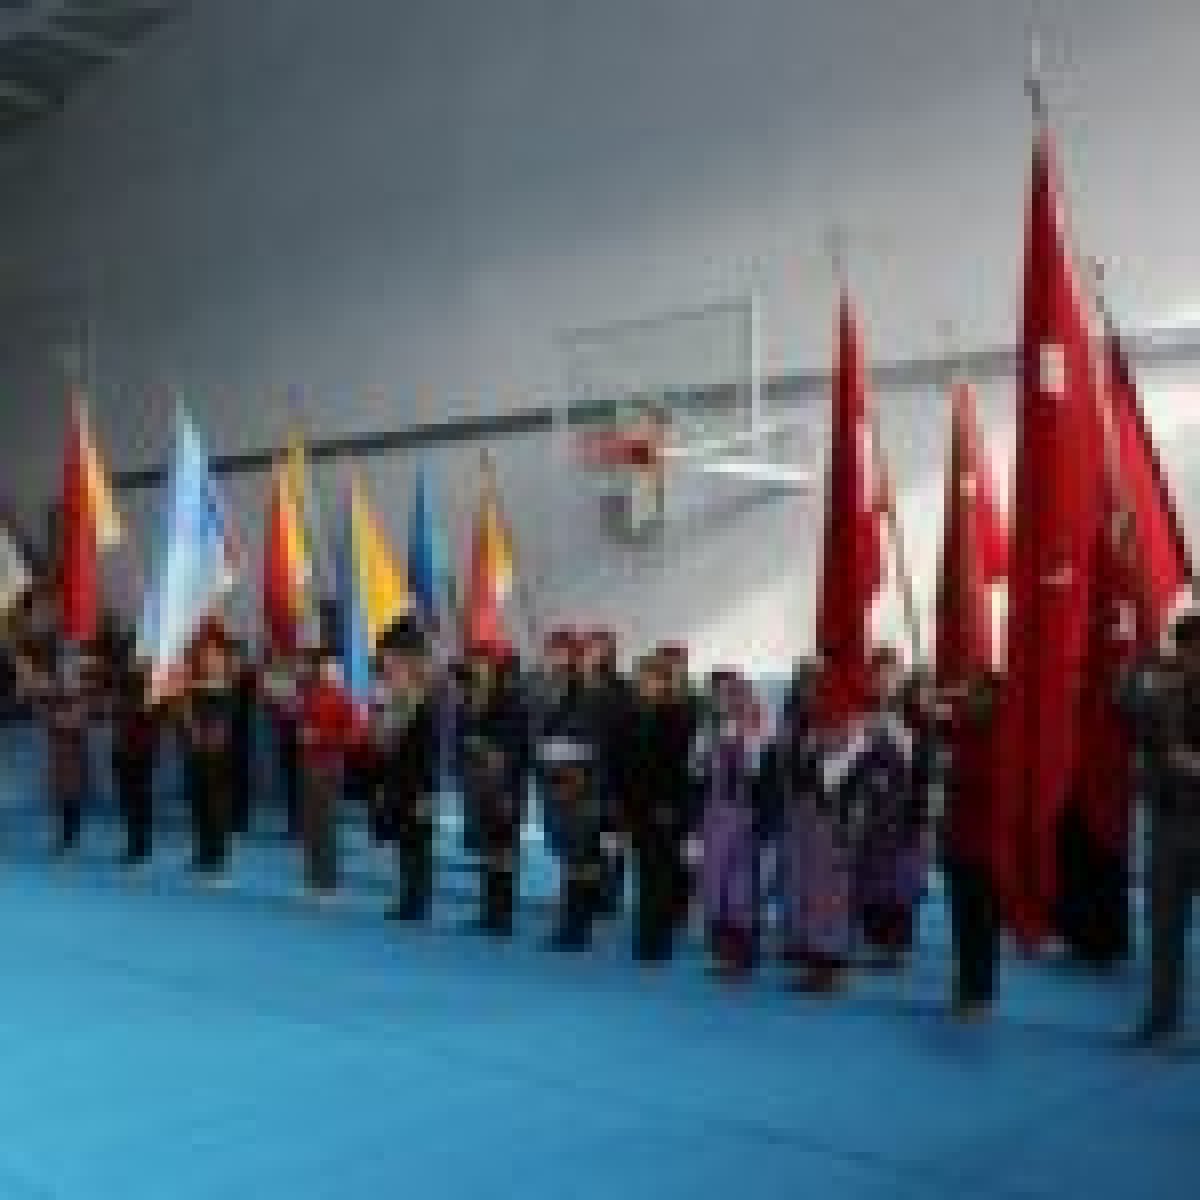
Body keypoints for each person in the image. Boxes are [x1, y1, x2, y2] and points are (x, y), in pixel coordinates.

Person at [1127, 610, 1200, 1045]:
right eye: (1187, 650)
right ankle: (1161, 1016)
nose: (1191, 660)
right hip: (1169, 821)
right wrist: (1142, 661)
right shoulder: (1163, 692)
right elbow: (1124, 704)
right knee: (1164, 926)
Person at [767, 661, 858, 993]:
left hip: (831, 817)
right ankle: (810, 954)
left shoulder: (841, 729)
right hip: (800, 812)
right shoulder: (795, 724)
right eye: (803, 684)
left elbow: (845, 777)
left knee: (829, 891)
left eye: (814, 685)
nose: (808, 691)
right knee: (801, 884)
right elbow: (785, 766)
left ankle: (831, 964)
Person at [615, 654, 692, 963]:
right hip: (636, 806)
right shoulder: (632, 715)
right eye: (641, 678)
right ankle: (646, 935)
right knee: (643, 872)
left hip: (664, 807)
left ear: (663, 682)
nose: (644, 683)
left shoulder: (676, 717)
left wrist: (671, 805)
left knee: (662, 873)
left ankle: (658, 940)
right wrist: (622, 804)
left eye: (649, 678)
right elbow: (624, 763)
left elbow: (679, 768)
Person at [849, 648, 920, 970]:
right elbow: (853, 757)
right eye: (879, 674)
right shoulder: (862, 711)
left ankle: (896, 944)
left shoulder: (913, 712)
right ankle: (876, 940)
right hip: (870, 804)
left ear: (899, 677)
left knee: (900, 875)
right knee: (869, 872)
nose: (884, 680)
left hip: (903, 804)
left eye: (890, 674)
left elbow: (922, 759)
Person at [693, 670, 764, 977]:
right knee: (715, 887)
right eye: (719, 694)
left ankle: (742, 955)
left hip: (745, 816)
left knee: (739, 888)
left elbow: (760, 776)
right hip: (713, 816)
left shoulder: (756, 731)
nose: (724, 700)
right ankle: (723, 955)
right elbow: (697, 773)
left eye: (730, 694)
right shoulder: (709, 729)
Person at [457, 644, 530, 935]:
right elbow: (463, 737)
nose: (476, 668)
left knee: (504, 850)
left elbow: (515, 747)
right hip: (480, 785)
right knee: (488, 850)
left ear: (493, 667)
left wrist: (485, 747)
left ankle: (503, 915)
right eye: (473, 663)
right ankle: (488, 911)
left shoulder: (510, 700)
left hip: (506, 785)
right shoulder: (472, 699)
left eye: (481, 663)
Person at [942, 671, 1002, 1020]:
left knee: (983, 925)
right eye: (972, 695)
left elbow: (986, 782)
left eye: (979, 695)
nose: (971, 701)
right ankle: (964, 985)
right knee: (961, 922)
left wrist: (958, 778)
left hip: (987, 846)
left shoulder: (1000, 739)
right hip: (959, 840)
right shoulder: (963, 733)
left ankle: (980, 994)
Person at [373, 622, 439, 921]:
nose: (385, 663)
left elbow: (431, 747)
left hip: (420, 779)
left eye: (389, 656)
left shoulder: (425, 693)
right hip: (399, 776)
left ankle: (417, 900)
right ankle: (409, 897)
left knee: (417, 839)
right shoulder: (396, 692)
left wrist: (427, 790)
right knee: (405, 837)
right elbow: (386, 739)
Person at [296, 640, 362, 900]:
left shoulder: (345, 699)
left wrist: (322, 738)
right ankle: (313, 879)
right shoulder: (309, 695)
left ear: (338, 670)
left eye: (332, 667)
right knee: (311, 824)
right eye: (324, 666)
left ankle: (328, 882)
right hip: (308, 764)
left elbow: (353, 736)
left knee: (327, 825)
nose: (327, 671)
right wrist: (303, 735)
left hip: (330, 766)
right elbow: (301, 725)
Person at [578, 629, 631, 919]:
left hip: (613, 779)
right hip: (582, 778)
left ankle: (609, 895)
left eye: (597, 649)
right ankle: (588, 893)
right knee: (586, 840)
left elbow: (623, 737)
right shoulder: (578, 687)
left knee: (610, 840)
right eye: (589, 649)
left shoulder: (621, 690)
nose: (591, 654)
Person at [179, 624, 237, 883]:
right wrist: (191, 727)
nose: (207, 657)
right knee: (197, 796)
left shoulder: (224, 686)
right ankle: (202, 852)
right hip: (196, 743)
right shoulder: (192, 682)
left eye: (212, 652)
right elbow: (184, 705)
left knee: (215, 798)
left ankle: (217, 856)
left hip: (216, 745)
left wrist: (213, 735)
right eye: (203, 652)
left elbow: (225, 718)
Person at [111, 648, 161, 868]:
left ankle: (140, 844)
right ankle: (136, 843)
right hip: (125, 747)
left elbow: (152, 719)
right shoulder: (124, 688)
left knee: (139, 799)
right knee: (130, 799)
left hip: (140, 749)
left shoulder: (150, 690)